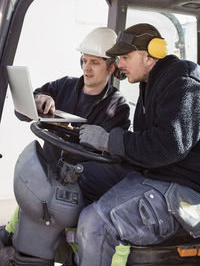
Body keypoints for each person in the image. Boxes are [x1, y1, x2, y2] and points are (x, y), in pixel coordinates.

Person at [77, 23, 200, 266]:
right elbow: (145, 145)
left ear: (150, 55)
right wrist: (105, 146)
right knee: (78, 180)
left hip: (183, 188)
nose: (119, 65)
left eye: (125, 57)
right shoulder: (149, 83)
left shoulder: (183, 83)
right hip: (154, 174)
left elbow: (168, 145)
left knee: (97, 222)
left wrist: (109, 141)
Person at [0, 27, 130, 255]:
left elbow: (106, 155)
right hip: (47, 174)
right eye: (84, 61)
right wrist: (39, 99)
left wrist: (71, 133)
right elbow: (23, 110)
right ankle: (11, 235)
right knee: (31, 197)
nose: (86, 68)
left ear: (111, 67)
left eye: (95, 63)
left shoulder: (117, 107)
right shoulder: (64, 86)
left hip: (78, 183)